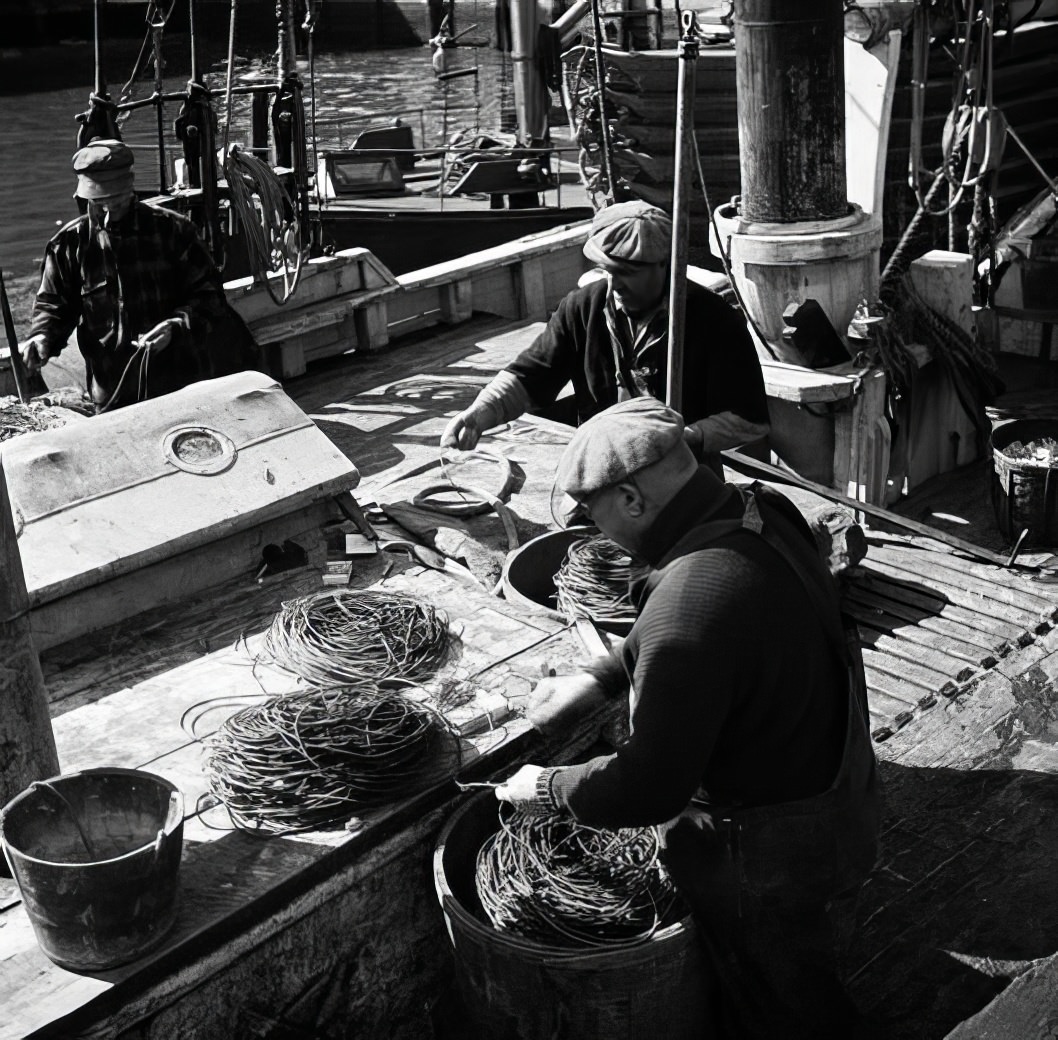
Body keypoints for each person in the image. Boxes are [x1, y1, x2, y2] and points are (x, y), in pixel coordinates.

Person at [497, 397, 880, 1039]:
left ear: (633, 500)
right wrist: (598, 678)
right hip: (843, 790)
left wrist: (546, 786)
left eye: (594, 514)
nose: (595, 530)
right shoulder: (766, 509)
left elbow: (651, 786)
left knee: (789, 1005)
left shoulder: (686, 602)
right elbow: (715, 635)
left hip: (776, 854)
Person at [440, 199, 769, 466]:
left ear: (664, 266)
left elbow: (749, 420)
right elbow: (530, 377)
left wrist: (686, 437)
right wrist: (478, 414)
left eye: (626, 273)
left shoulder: (713, 319)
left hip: (684, 474)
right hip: (599, 469)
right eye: (606, 271)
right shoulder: (583, 307)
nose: (614, 285)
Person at [21, 138, 260, 412]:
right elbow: (54, 306)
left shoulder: (174, 231)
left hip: (182, 383)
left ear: (130, 186)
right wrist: (41, 337)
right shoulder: (68, 245)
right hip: (113, 393)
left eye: (116, 199)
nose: (108, 210)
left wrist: (177, 326)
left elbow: (210, 298)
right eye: (99, 202)